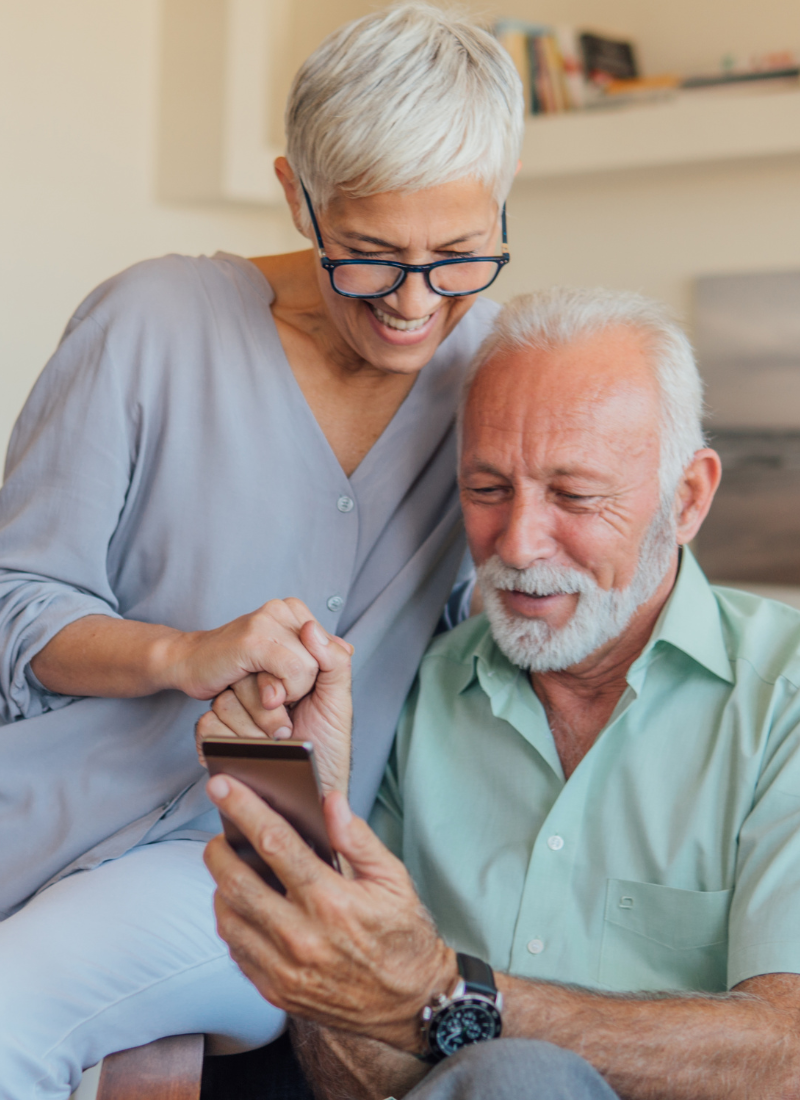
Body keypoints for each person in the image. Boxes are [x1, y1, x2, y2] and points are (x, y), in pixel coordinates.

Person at [0, 5, 524, 1095]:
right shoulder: (148, 323)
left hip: (259, 866)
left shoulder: (495, 381)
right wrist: (179, 655)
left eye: (458, 255)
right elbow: (18, 595)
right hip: (38, 813)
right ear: (297, 196)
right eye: (370, 258)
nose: (415, 304)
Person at [205, 287, 800, 1100]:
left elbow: (788, 1053)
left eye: (574, 496)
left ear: (688, 498)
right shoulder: (417, 686)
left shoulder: (785, 698)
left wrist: (447, 997)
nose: (517, 545)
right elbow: (354, 1061)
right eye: (487, 489)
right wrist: (317, 809)